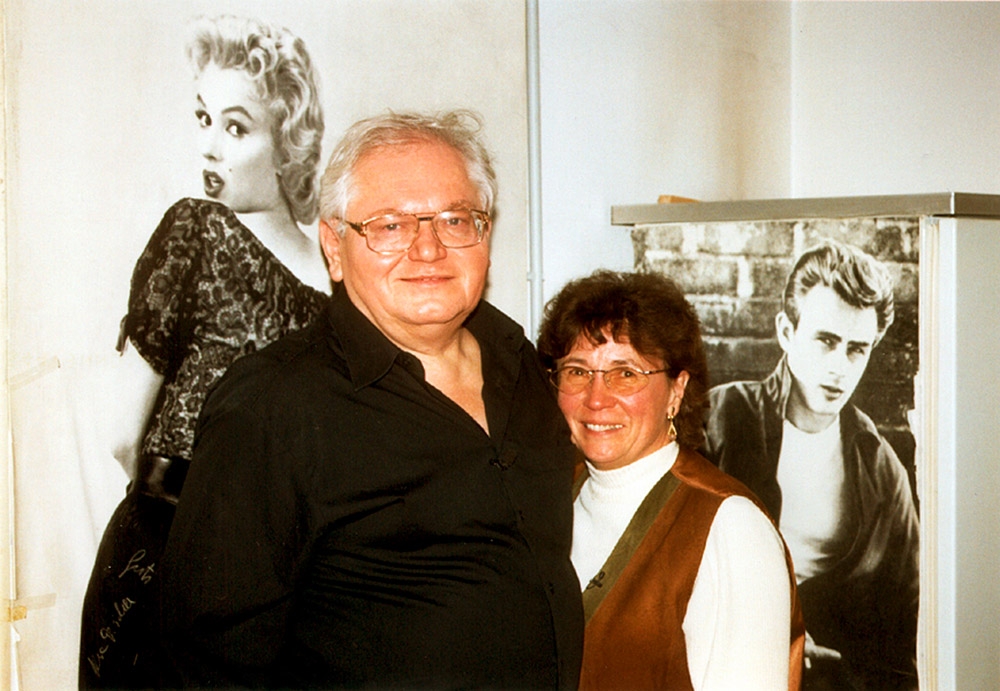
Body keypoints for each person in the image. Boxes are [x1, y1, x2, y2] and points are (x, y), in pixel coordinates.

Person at [156, 110, 584, 688]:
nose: (429, 248)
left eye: (455, 219)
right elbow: (206, 660)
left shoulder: (522, 364)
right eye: (390, 226)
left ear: (485, 235)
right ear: (334, 248)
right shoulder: (271, 405)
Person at [79, 15, 330, 688]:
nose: (210, 147)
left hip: (259, 574)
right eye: (203, 119)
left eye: (237, 127)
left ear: (287, 142)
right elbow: (121, 436)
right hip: (184, 563)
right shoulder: (200, 230)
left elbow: (125, 434)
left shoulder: (334, 273)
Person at [537, 269, 805, 691]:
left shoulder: (731, 528)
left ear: (677, 391)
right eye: (577, 371)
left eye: (626, 373)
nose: (596, 398)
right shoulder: (548, 499)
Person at [702, 240, 920, 689]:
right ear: (787, 332)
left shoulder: (882, 470)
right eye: (826, 340)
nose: (839, 366)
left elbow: (906, 624)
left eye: (857, 349)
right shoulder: (721, 418)